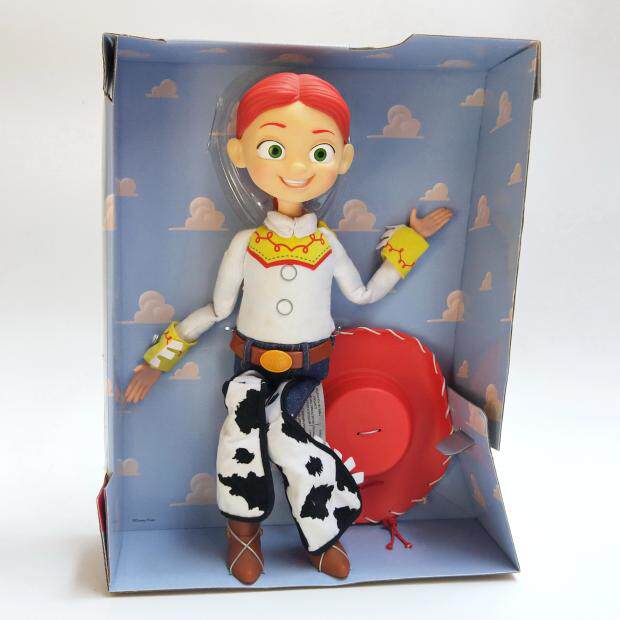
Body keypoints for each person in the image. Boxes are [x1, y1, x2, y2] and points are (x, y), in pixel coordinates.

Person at [124, 72, 451, 585]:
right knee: (239, 445)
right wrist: (157, 361)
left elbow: (363, 294)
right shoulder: (247, 244)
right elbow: (217, 308)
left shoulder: (325, 244)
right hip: (250, 367)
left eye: (318, 153)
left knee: (303, 451)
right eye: (274, 149)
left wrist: (411, 239)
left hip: (308, 373)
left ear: (343, 158)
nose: (297, 168)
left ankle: (323, 536)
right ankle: (243, 534)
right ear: (240, 153)